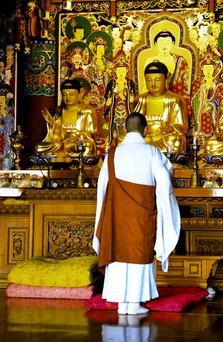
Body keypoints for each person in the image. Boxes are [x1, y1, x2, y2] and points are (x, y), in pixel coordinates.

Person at [93, 112, 181, 316]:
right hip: (142, 215)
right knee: (139, 253)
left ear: (124, 129)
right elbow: (165, 183)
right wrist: (164, 203)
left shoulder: (112, 154)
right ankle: (134, 303)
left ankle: (122, 303)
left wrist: (103, 215)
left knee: (117, 254)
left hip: (115, 215)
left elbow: (102, 188)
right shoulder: (152, 152)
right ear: (146, 129)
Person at [132, 61, 188, 153]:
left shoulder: (175, 100)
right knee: (122, 140)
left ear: (166, 80)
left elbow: (183, 127)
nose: (153, 84)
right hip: (144, 139)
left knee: (177, 139)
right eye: (149, 80)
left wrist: (170, 128)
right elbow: (133, 126)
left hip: (165, 139)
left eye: (157, 80)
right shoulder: (139, 100)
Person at [34, 79, 98, 160]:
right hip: (61, 144)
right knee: (38, 147)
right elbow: (53, 137)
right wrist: (52, 125)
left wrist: (78, 139)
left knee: (88, 145)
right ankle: (64, 152)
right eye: (64, 95)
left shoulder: (88, 111)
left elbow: (91, 136)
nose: (68, 98)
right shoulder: (57, 111)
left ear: (79, 94)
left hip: (77, 144)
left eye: (71, 95)